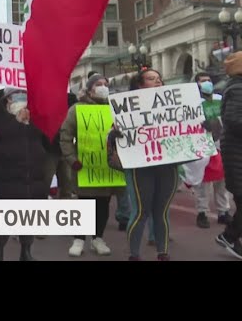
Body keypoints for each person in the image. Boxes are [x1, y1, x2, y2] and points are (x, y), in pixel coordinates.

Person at [0, 56, 48, 261]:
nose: (21, 101)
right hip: (7, 178)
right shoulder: (0, 117)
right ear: (7, 101)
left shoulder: (37, 120)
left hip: (32, 178)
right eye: (16, 97)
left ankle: (26, 249)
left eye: (24, 96)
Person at [109, 69, 177, 261]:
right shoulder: (127, 107)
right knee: (141, 212)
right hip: (141, 167)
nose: (157, 82)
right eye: (151, 79)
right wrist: (113, 137)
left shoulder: (174, 105)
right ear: (140, 84)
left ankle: (163, 253)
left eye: (159, 79)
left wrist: (202, 129)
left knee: (161, 212)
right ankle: (134, 255)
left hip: (167, 166)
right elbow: (115, 131)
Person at [60, 74, 124, 257]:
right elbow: (65, 137)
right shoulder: (76, 110)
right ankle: (79, 239)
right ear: (89, 89)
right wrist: (72, 160)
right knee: (84, 204)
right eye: (98, 84)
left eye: (105, 83)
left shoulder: (116, 109)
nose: (103, 87)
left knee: (103, 204)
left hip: (108, 168)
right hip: (84, 167)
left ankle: (98, 238)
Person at [192, 72, 231, 228]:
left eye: (208, 80)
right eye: (203, 81)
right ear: (197, 84)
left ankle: (223, 212)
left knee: (222, 181)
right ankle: (202, 213)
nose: (207, 83)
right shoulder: (194, 103)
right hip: (203, 145)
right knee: (203, 182)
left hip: (221, 143)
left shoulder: (220, 99)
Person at [216, 52, 242, 259]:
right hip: (237, 154)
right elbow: (234, 120)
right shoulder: (238, 88)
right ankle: (229, 236)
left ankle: (229, 235)